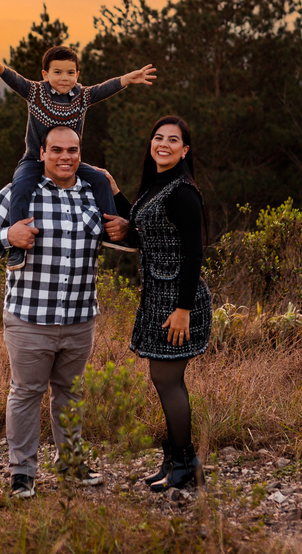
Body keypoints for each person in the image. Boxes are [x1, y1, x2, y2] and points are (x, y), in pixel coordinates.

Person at [0, 125, 130, 499]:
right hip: (29, 319)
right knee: (26, 393)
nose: (65, 157)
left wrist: (124, 226)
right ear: (41, 153)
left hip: (79, 320)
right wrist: (7, 238)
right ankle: (22, 473)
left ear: (80, 153)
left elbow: (122, 235)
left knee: (70, 394)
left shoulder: (94, 195)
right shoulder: (16, 194)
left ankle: (71, 462)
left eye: (72, 150)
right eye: (56, 149)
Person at [0, 41, 154, 271]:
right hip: (34, 160)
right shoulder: (36, 92)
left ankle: (110, 233)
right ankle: (18, 248)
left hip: (71, 163)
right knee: (20, 188)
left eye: (70, 72)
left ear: (77, 74)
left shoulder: (82, 96)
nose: (65, 78)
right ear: (45, 74)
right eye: (58, 72)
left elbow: (104, 88)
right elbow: (16, 81)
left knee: (101, 180)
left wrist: (127, 79)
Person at [113, 115, 211, 492]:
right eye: (158, 137)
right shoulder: (157, 185)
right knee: (163, 378)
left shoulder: (184, 192)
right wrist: (117, 194)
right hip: (157, 298)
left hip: (179, 302)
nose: (164, 144)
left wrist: (183, 309)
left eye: (173, 140)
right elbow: (144, 234)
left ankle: (187, 464)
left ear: (185, 150)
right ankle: (174, 460)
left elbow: (193, 254)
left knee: (167, 379)